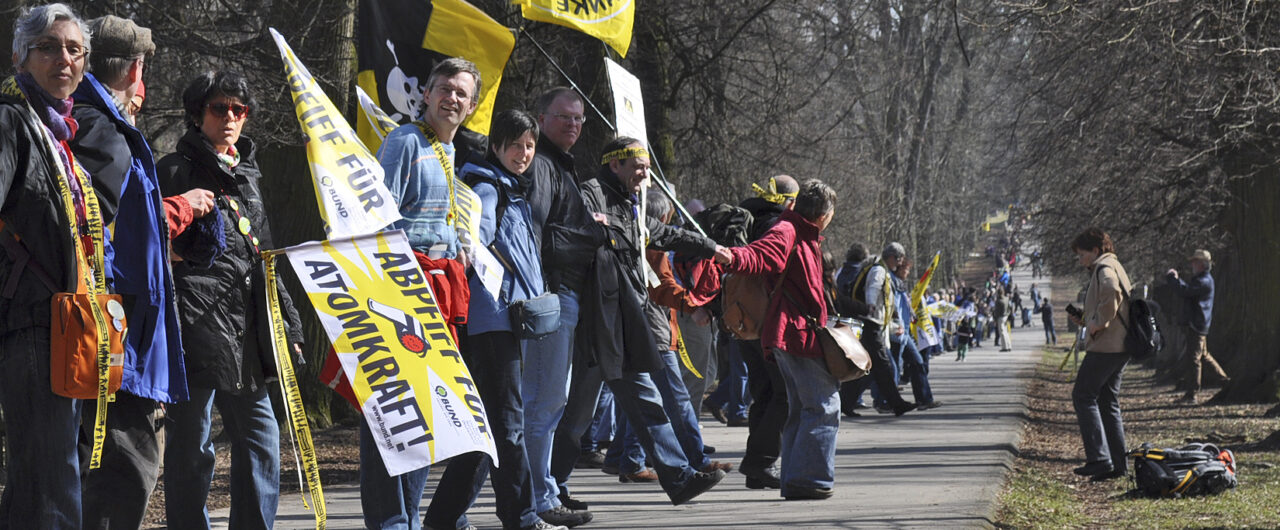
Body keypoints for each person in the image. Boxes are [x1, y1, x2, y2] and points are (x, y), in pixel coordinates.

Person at [68, 15, 216, 530]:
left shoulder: (83, 120)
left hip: (115, 331)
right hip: (115, 335)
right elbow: (92, 232)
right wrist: (178, 214)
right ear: (135, 69)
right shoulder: (99, 127)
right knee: (123, 474)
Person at [157, 70, 305, 529]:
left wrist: (290, 329)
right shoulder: (172, 170)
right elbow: (148, 250)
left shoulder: (250, 177)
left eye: (239, 110)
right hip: (192, 327)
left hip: (248, 333)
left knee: (262, 439)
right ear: (198, 113)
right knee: (191, 447)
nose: (230, 118)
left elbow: (265, 257)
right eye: (220, 108)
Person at [420, 109, 564, 530]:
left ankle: (443, 518)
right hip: (490, 321)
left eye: (530, 146)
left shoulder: (506, 187)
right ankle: (521, 518)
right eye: (516, 144)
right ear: (497, 145)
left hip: (501, 321)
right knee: (507, 425)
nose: (524, 153)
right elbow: (473, 244)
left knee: (489, 428)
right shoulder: (486, 188)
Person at [357, 57, 479, 529]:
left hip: (441, 296)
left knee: (424, 413)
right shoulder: (405, 141)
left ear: (470, 107)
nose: (452, 98)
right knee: (393, 411)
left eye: (461, 93)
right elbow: (379, 219)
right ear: (425, 94)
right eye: (444, 88)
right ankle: (390, 520)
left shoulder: (448, 151)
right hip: (403, 293)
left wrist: (457, 249)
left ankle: (407, 517)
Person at [576, 136, 727, 505]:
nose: (644, 174)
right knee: (569, 418)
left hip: (623, 321)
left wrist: (711, 248)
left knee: (647, 401)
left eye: (646, 167)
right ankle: (548, 490)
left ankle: (678, 478)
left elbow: (666, 235)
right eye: (638, 167)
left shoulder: (631, 208)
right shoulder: (591, 194)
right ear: (615, 165)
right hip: (595, 320)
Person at [0, 5, 102, 526]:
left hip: (68, 327)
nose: (63, 58)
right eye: (48, 47)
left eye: (73, 49)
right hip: (31, 322)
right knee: (51, 481)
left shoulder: (61, 133)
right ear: (21, 56)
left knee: (42, 479)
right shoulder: (10, 120)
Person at [714, 179, 840, 500]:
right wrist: (733, 257)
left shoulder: (802, 231)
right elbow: (762, 254)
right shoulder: (787, 229)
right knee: (823, 405)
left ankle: (794, 478)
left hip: (791, 331)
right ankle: (809, 479)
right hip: (794, 332)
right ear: (824, 214)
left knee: (797, 407)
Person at [525, 87, 607, 528]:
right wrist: (593, 234)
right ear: (542, 118)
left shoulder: (561, 165)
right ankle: (538, 498)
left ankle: (544, 491)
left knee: (548, 404)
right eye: (564, 117)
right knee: (543, 404)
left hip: (562, 298)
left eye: (579, 119)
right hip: (551, 298)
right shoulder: (542, 164)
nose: (573, 124)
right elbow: (538, 236)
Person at [732, 175, 799, 489]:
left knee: (764, 394)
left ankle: (757, 470)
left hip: (744, 321)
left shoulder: (745, 221)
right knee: (784, 395)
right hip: (770, 322)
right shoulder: (779, 227)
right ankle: (759, 463)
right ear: (790, 201)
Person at [1065, 227, 1132, 482]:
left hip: (1106, 347)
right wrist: (1085, 319)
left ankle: (1099, 459)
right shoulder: (1114, 265)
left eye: (1082, 254)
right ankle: (1119, 464)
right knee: (1107, 402)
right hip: (1119, 347)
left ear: (1095, 250)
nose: (1080, 259)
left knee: (1083, 395)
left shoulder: (1104, 269)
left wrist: (1098, 323)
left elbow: (1112, 294)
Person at [841, 242, 918, 417]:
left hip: (873, 324)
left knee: (870, 368)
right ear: (892, 257)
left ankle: (846, 402)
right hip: (870, 323)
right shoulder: (879, 270)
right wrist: (870, 306)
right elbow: (873, 288)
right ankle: (896, 404)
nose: (899, 263)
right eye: (898, 259)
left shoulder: (880, 269)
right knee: (884, 366)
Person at [1168, 249, 1228, 404]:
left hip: (1197, 324)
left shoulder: (1204, 281)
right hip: (1199, 323)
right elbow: (1188, 290)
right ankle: (1225, 381)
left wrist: (1173, 279)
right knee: (1204, 355)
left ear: (1201, 264)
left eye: (1194, 261)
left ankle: (1192, 394)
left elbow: (1185, 292)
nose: (1192, 264)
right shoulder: (1202, 280)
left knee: (1194, 358)